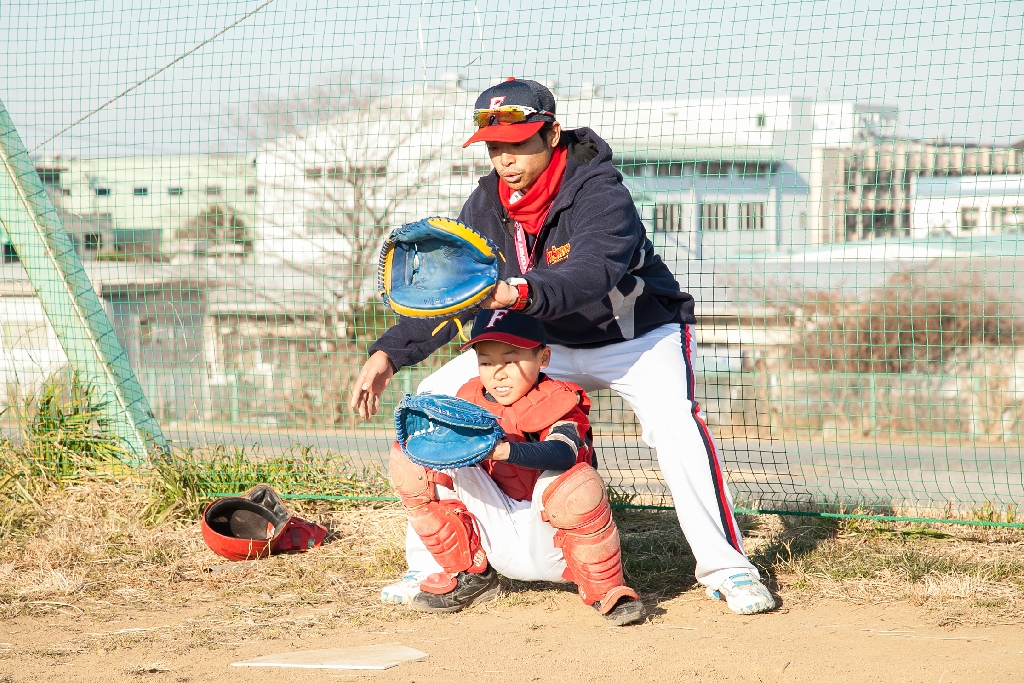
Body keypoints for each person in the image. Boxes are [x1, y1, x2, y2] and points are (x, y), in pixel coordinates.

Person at [352, 77, 776, 615]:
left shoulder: (601, 192)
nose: (504, 159)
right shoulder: (487, 202)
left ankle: (726, 567)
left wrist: (517, 290)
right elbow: (457, 291)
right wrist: (391, 351)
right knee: (435, 403)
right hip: (545, 345)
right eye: (494, 146)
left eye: (518, 143)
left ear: (551, 134)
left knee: (674, 422)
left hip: (636, 338)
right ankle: (446, 563)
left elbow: (589, 273)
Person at [387, 309, 646, 626]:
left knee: (575, 482)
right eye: (486, 362)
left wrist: (503, 450)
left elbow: (563, 453)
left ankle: (605, 588)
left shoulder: (558, 398)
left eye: (510, 360)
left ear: (544, 357)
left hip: (555, 546)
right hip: (497, 539)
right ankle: (471, 575)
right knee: (413, 457)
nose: (498, 373)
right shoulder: (468, 397)